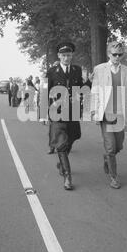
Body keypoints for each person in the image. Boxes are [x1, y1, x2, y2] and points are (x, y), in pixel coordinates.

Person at [91, 41, 127, 189]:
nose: (117, 57)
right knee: (110, 147)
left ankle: (107, 158)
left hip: (120, 115)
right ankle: (114, 177)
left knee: (118, 146)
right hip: (106, 114)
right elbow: (94, 91)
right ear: (109, 54)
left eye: (120, 54)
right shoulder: (99, 69)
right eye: (114, 54)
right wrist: (93, 111)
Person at [47, 42, 83, 190]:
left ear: (72, 55)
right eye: (64, 55)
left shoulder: (77, 70)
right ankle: (67, 176)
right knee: (61, 144)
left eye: (69, 55)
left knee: (75, 136)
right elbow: (45, 92)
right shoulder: (52, 71)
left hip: (73, 111)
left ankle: (62, 162)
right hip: (57, 112)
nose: (66, 58)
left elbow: (80, 88)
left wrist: (89, 82)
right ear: (59, 56)